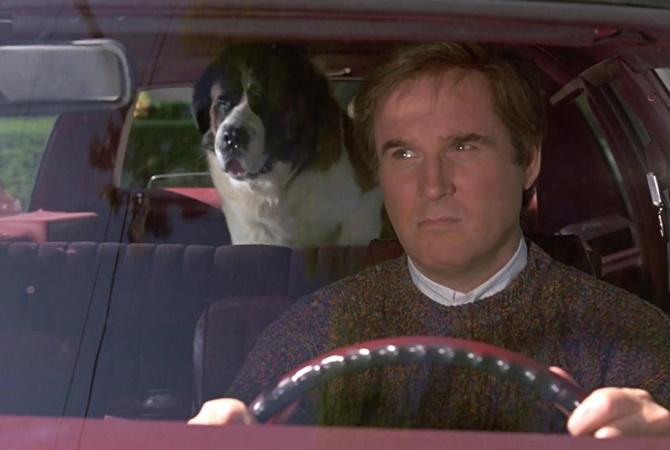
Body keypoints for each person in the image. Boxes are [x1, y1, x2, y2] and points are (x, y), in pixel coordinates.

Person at [189, 42, 670, 437]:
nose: (432, 185)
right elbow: (233, 429)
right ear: (378, 174)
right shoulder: (309, 330)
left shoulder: (630, 336)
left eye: (462, 146)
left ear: (527, 162)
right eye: (403, 154)